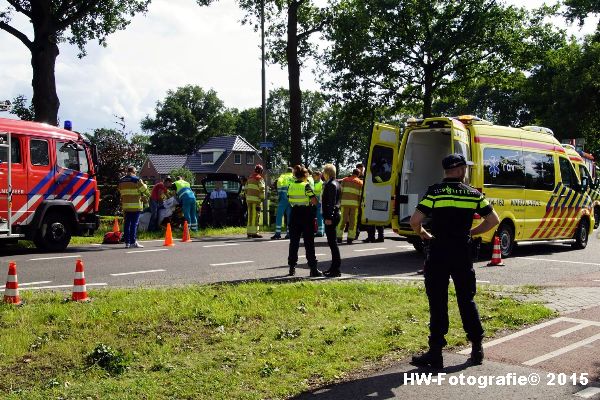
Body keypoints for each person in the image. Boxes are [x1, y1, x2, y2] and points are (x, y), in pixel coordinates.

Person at [409, 154, 500, 369]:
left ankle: (435, 353)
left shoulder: (435, 192)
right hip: (462, 252)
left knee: (438, 301)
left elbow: (415, 221)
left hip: (438, 252)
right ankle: (477, 348)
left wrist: (423, 233)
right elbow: (493, 220)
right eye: (465, 168)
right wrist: (471, 232)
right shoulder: (473, 194)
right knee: (466, 300)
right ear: (459, 170)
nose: (466, 171)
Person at [287, 165, 322, 277]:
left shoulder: (291, 185)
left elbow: (289, 198)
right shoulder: (306, 186)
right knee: (309, 243)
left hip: (294, 213)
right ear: (305, 175)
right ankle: (313, 268)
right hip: (306, 214)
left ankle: (292, 267)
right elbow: (314, 201)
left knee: (294, 242)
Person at [118, 166, 150, 248]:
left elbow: (120, 192)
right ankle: (133, 242)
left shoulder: (121, 180)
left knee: (127, 224)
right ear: (133, 171)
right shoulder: (136, 180)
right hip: (135, 206)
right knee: (134, 224)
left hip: (126, 206)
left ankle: (127, 243)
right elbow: (144, 190)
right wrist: (145, 185)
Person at [321, 164, 342, 277]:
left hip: (332, 216)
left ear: (327, 173)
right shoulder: (336, 183)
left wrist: (329, 217)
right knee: (332, 243)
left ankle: (336, 269)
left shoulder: (331, 185)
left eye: (324, 172)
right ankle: (333, 267)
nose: (322, 174)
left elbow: (331, 203)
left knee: (333, 243)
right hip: (334, 215)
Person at [337, 168, 363, 244]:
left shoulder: (345, 180)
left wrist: (340, 201)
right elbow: (360, 195)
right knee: (353, 221)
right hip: (354, 204)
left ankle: (339, 236)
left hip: (344, 203)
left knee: (342, 220)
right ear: (358, 174)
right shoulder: (360, 182)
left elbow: (340, 191)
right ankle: (350, 238)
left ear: (352, 173)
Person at [271, 167, 293, 240]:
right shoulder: (294, 177)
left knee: (279, 215)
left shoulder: (283, 176)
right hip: (291, 198)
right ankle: (289, 233)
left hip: (283, 197)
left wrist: (279, 193)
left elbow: (279, 183)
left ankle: (278, 233)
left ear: (286, 171)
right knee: (289, 216)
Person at [246, 164, 265, 238]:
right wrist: (262, 199)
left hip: (249, 200)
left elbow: (246, 189)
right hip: (256, 201)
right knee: (256, 216)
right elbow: (262, 189)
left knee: (250, 216)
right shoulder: (259, 178)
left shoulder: (249, 178)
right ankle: (254, 233)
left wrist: (247, 198)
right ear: (261, 171)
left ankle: (249, 232)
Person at [312, 170, 325, 237]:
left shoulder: (321, 183)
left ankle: (321, 231)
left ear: (319, 176)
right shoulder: (312, 182)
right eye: (313, 175)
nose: (313, 177)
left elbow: (322, 194)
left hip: (319, 201)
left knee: (319, 215)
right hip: (313, 201)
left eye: (314, 175)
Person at [354, 163, 365, 240]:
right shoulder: (358, 177)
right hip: (359, 199)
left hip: (364, 199)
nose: (359, 171)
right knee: (357, 218)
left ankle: (373, 236)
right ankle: (356, 234)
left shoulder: (365, 175)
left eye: (360, 169)